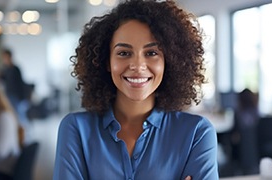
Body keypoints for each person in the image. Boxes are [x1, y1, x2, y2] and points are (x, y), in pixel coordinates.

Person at [53, 0, 219, 179]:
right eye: (124, 53)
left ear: (168, 61)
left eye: (151, 53)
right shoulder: (76, 129)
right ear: (106, 61)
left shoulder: (196, 133)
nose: (138, 66)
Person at [0, 48, 32, 144]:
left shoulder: (15, 69)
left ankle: (26, 136)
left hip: (17, 96)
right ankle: (18, 135)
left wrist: (23, 98)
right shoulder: (6, 69)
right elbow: (4, 79)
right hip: (9, 96)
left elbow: (20, 83)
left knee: (20, 116)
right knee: (13, 116)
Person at [231, 88, 259, 175]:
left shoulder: (238, 113)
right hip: (255, 150)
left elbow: (234, 134)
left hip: (242, 151)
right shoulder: (256, 112)